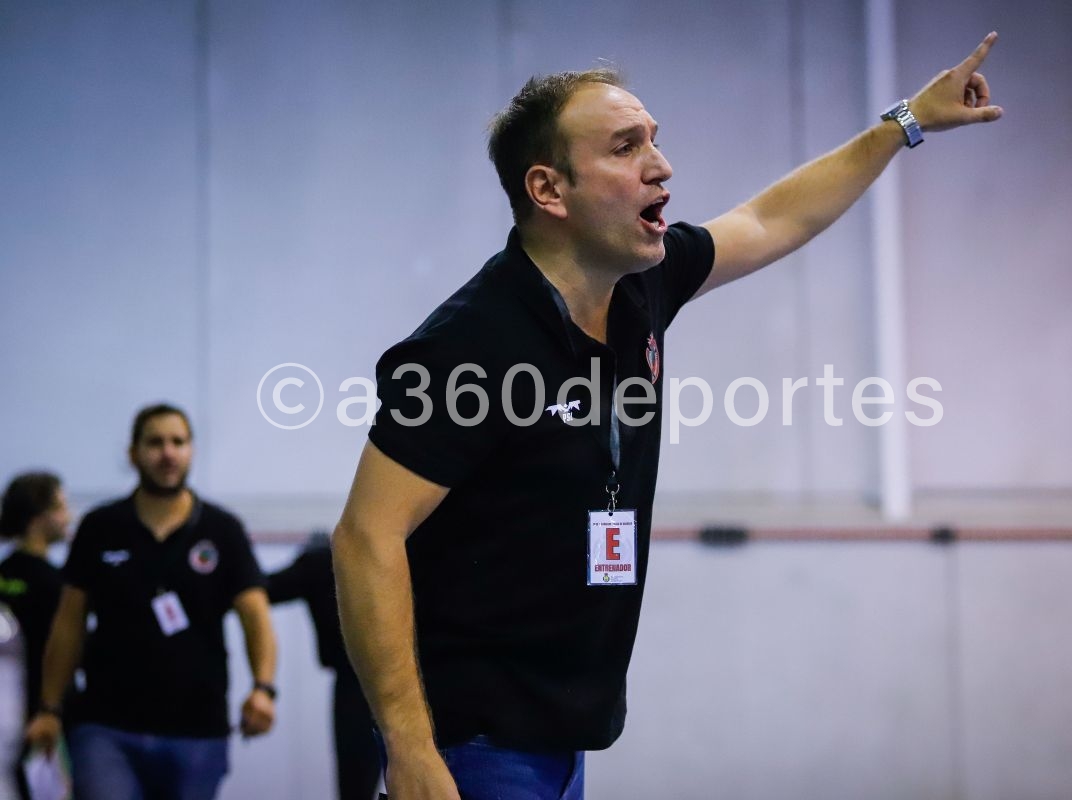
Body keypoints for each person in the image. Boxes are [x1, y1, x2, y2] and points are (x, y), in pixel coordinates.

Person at [332, 34, 1003, 800]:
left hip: (562, 739)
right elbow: (365, 538)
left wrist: (906, 121)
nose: (662, 165)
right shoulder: (469, 347)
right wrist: (410, 749)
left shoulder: (638, 286)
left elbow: (771, 218)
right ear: (549, 190)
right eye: (627, 147)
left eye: (654, 140)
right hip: (470, 744)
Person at [25, 404, 278, 800]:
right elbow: (69, 623)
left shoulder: (222, 530)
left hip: (198, 731)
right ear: (134, 453)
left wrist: (263, 687)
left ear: (191, 450)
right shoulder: (100, 526)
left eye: (178, 442)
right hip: (106, 727)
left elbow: (256, 617)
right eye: (155, 443)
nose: (168, 453)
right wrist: (50, 707)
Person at [267, 533, 381, 800]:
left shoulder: (319, 563)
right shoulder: (324, 562)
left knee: (356, 783)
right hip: (383, 678)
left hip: (359, 681)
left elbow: (262, 589)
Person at [0, 472, 70, 798]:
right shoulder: (56, 584)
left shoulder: (5, 574)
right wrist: (49, 711)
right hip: (41, 717)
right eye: (62, 507)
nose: (69, 517)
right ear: (40, 517)